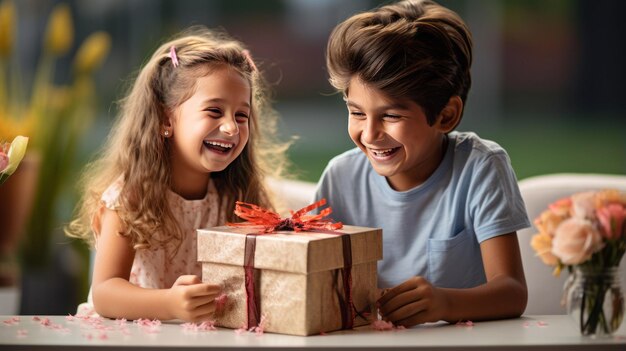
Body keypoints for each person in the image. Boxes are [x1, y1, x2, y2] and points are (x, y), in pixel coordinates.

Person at [316, 0, 530, 327]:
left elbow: (512, 292)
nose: (369, 134)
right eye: (356, 112)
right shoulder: (339, 178)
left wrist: (444, 303)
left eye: (390, 115)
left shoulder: (481, 167)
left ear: (446, 115)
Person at [66, 27, 288, 322]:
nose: (232, 128)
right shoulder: (130, 198)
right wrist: (169, 303)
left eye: (241, 115)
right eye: (214, 111)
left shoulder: (237, 197)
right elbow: (105, 293)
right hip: (128, 336)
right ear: (165, 118)